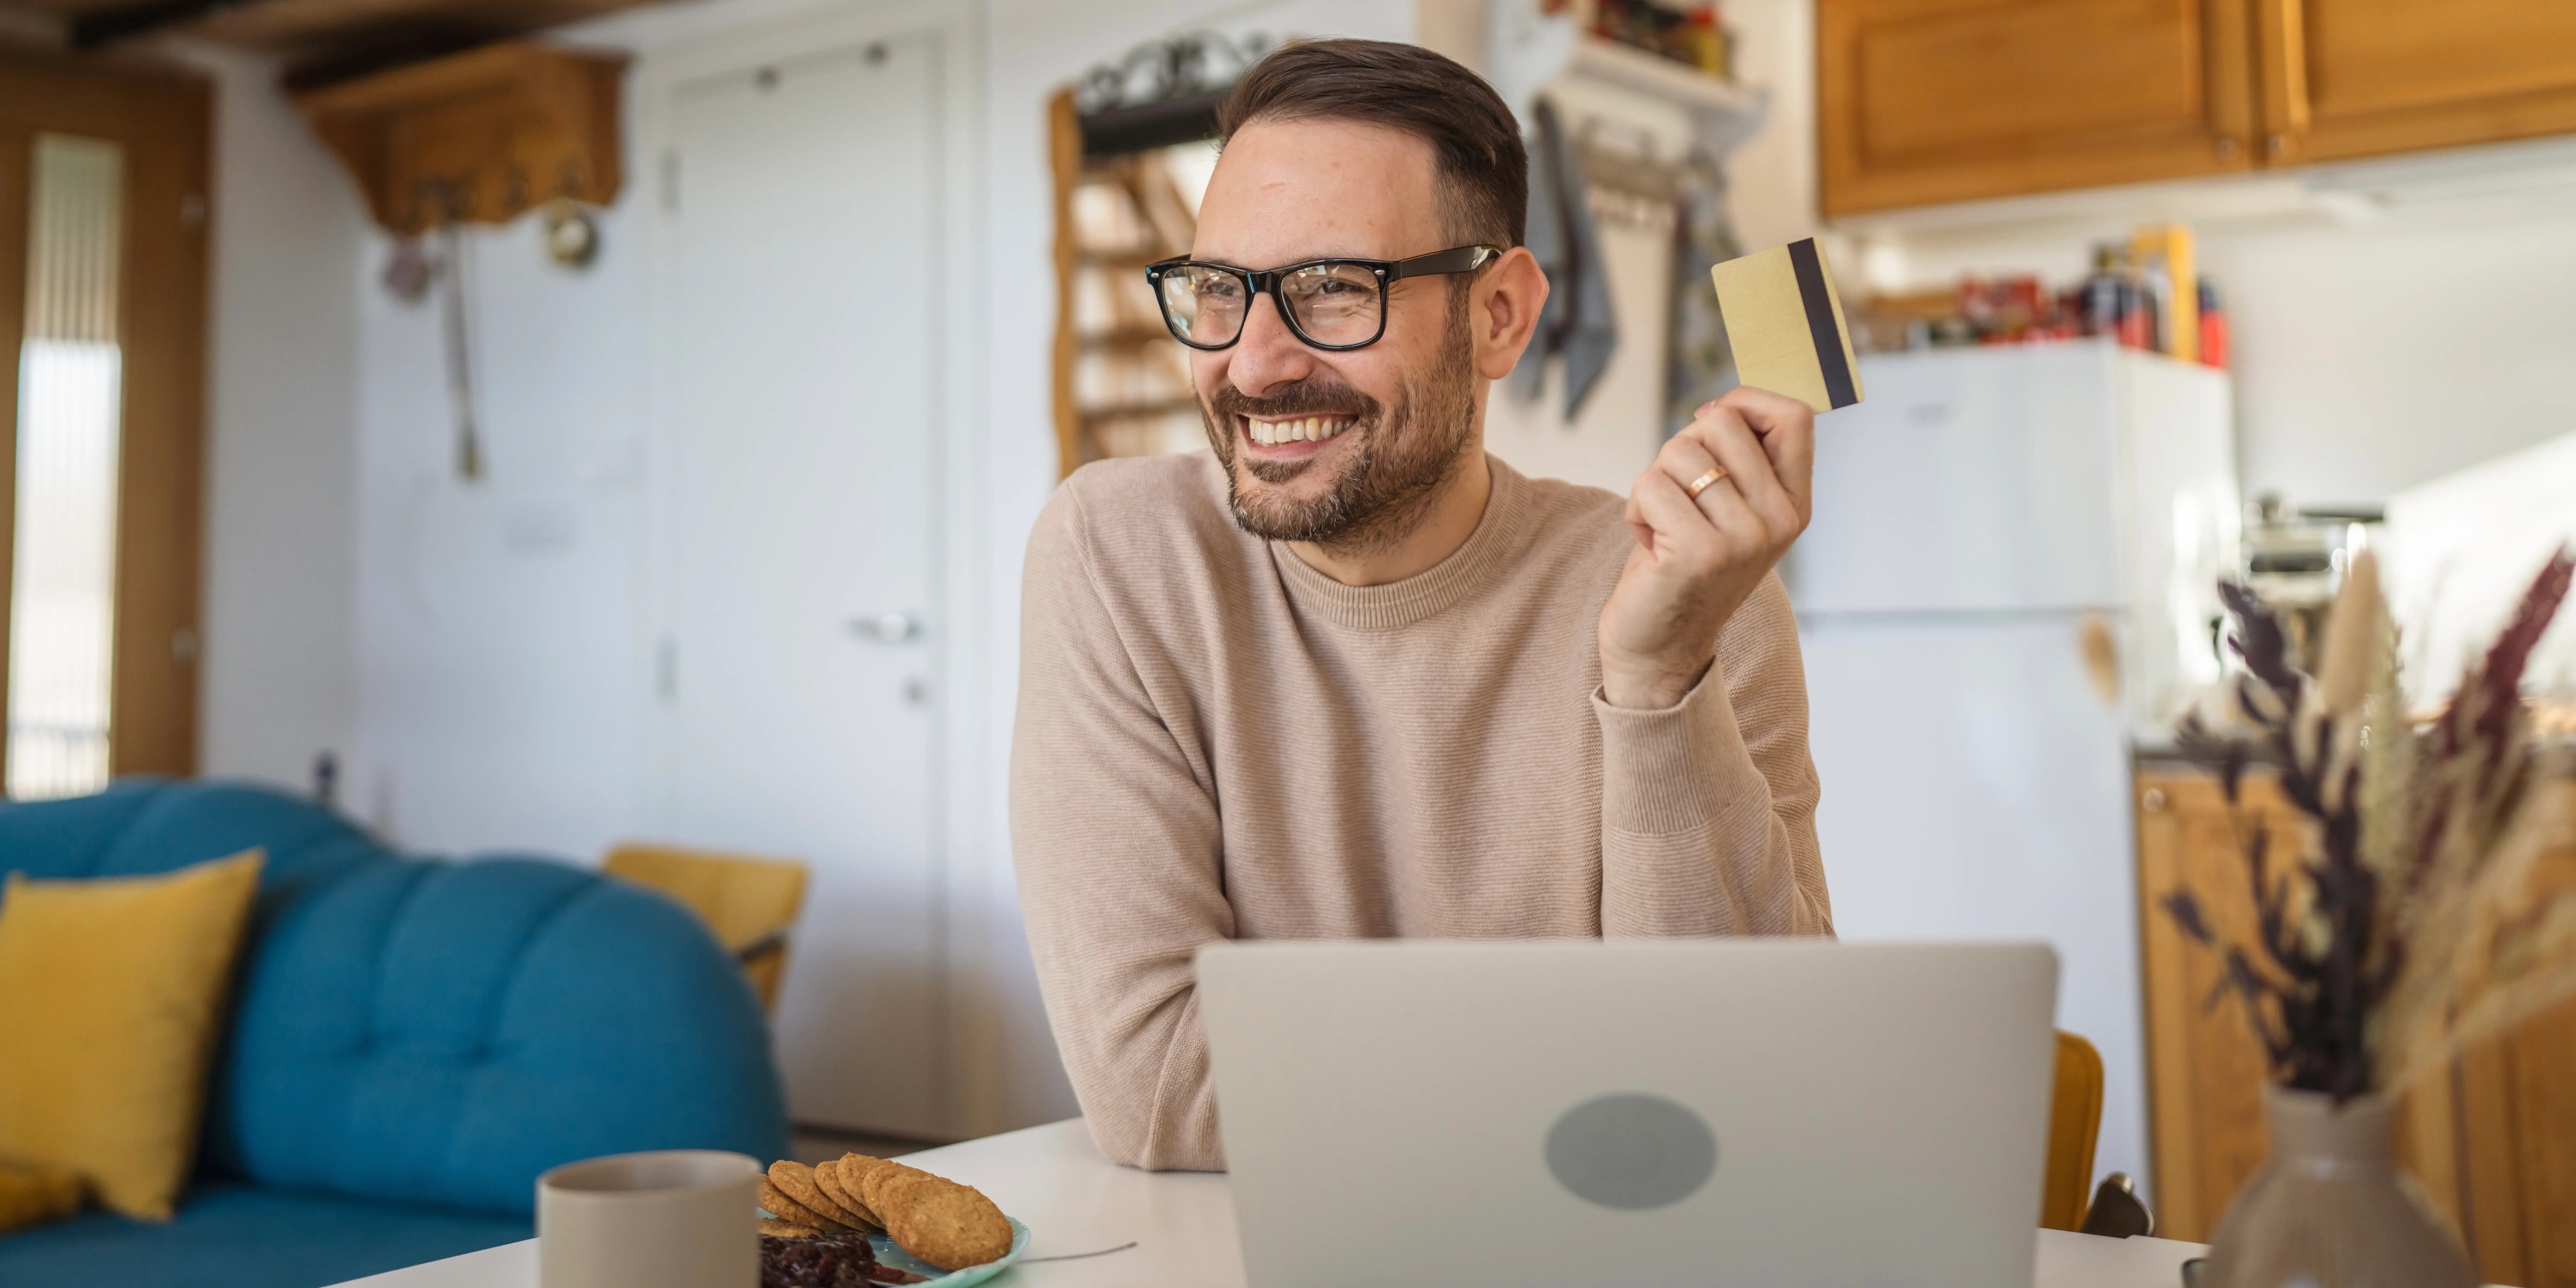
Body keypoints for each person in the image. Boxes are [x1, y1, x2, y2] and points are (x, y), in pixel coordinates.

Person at [1010, 38, 1830, 1172]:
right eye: (1219, 290)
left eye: (1334, 290)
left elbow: (1748, 1088)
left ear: (1499, 314)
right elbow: (1161, 1090)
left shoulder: (1693, 596)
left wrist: (1655, 687)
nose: (1252, 365)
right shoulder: (1121, 557)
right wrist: (1613, 1065)